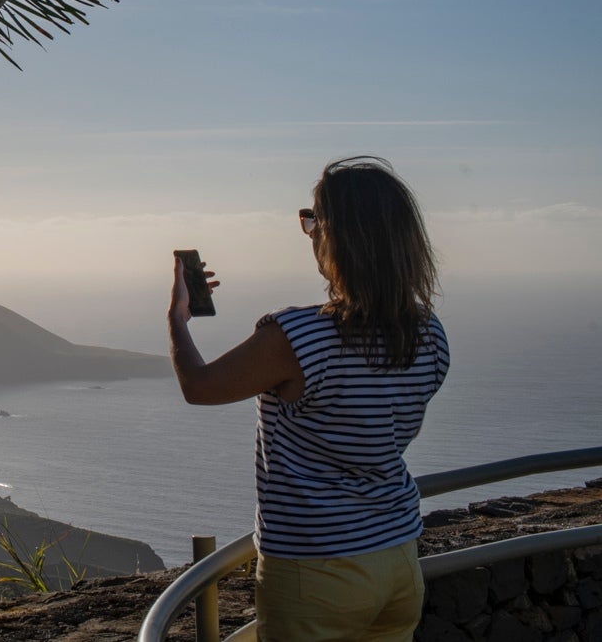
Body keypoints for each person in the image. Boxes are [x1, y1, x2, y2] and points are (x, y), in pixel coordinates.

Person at [167, 157, 449, 642]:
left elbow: (199, 386)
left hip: (316, 569)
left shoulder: (299, 337)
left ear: (342, 237)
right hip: (399, 556)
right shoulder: (429, 335)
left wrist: (176, 317)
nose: (310, 231)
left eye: (314, 219)